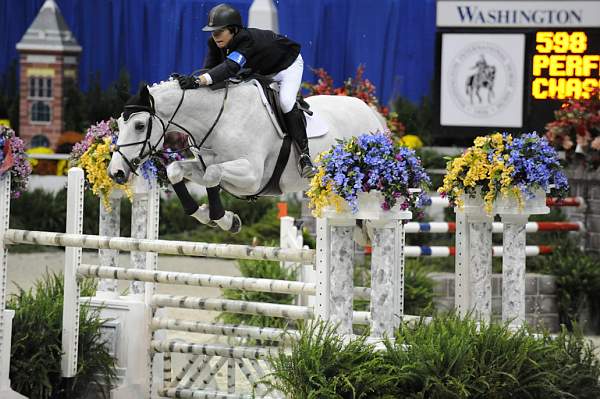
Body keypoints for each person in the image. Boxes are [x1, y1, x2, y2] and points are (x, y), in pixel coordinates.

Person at [178, 3, 315, 178]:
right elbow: (209, 70)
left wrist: (198, 81)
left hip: (287, 66)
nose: (215, 35)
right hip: (260, 70)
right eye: (212, 31)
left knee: (286, 102)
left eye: (219, 31)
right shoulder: (214, 42)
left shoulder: (245, 39)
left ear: (234, 30)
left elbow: (230, 67)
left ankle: (304, 156)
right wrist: (192, 82)